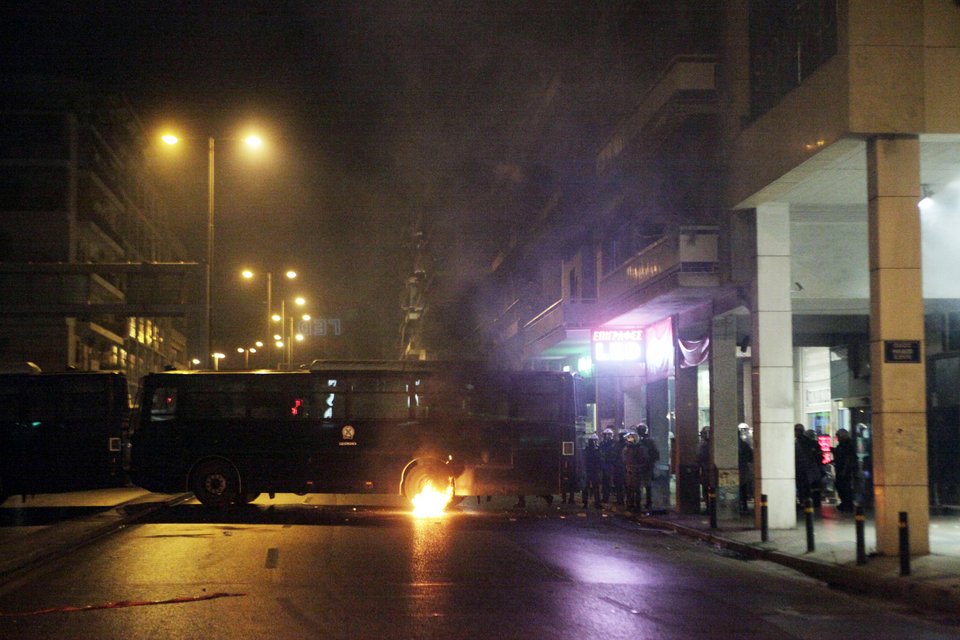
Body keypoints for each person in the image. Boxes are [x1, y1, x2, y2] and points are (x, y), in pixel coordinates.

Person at [794, 423, 822, 511]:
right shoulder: (809, 442)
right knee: (810, 487)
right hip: (808, 468)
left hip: (804, 468)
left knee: (804, 487)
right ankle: (809, 502)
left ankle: (805, 502)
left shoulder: (801, 442)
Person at [832, 428, 858, 512]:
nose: (837, 438)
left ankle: (847, 504)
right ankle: (845, 503)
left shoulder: (847, 445)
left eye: (838, 436)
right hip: (841, 468)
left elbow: (847, 459)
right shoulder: (843, 445)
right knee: (840, 486)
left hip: (845, 470)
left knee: (845, 487)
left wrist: (844, 470)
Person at [636, 423, 659, 509]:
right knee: (639, 485)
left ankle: (648, 502)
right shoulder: (638, 441)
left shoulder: (649, 441)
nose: (640, 432)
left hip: (646, 466)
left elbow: (655, 454)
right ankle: (640, 502)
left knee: (647, 485)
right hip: (639, 466)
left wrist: (650, 463)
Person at [621, 430, 644, 511]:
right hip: (629, 470)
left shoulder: (639, 448)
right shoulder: (626, 448)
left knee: (636, 489)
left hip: (636, 470)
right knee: (629, 488)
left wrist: (638, 467)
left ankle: (637, 505)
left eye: (630, 438)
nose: (629, 439)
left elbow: (642, 460)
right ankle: (630, 504)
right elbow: (624, 459)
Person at [599, 428, 622, 505]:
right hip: (606, 464)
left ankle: (619, 499)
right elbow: (601, 453)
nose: (607, 436)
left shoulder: (615, 444)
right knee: (605, 482)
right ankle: (605, 498)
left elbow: (615, 454)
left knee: (617, 482)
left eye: (609, 435)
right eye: (605, 435)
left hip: (614, 464)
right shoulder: (602, 443)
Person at [581, 433, 602, 509]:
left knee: (591, 488)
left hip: (591, 471)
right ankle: (593, 503)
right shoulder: (591, 450)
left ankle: (589, 503)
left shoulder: (589, 450)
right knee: (590, 488)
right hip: (590, 470)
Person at [738, 426, 754, 515]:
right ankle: (744, 505)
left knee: (741, 488)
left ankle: (742, 505)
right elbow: (750, 456)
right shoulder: (744, 444)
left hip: (741, 468)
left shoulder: (742, 444)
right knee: (743, 488)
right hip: (743, 468)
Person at [697, 427, 711, 512]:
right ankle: (709, 506)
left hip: (706, 469)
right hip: (706, 469)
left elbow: (699, 457)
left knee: (706, 488)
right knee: (707, 488)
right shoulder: (704, 445)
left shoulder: (703, 446)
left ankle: (709, 506)